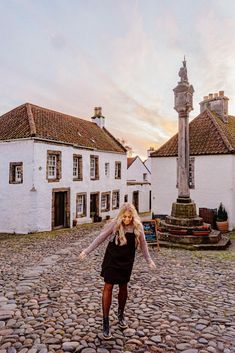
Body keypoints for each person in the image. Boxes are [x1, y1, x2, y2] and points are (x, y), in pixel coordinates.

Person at [79, 202, 156, 340]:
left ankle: (121, 314)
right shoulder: (114, 224)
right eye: (125, 217)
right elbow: (100, 238)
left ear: (133, 217)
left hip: (127, 260)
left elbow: (144, 245)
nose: (127, 219)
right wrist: (86, 251)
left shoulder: (137, 227)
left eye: (129, 217)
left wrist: (149, 260)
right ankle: (106, 321)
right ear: (121, 216)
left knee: (123, 286)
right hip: (112, 259)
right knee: (108, 286)